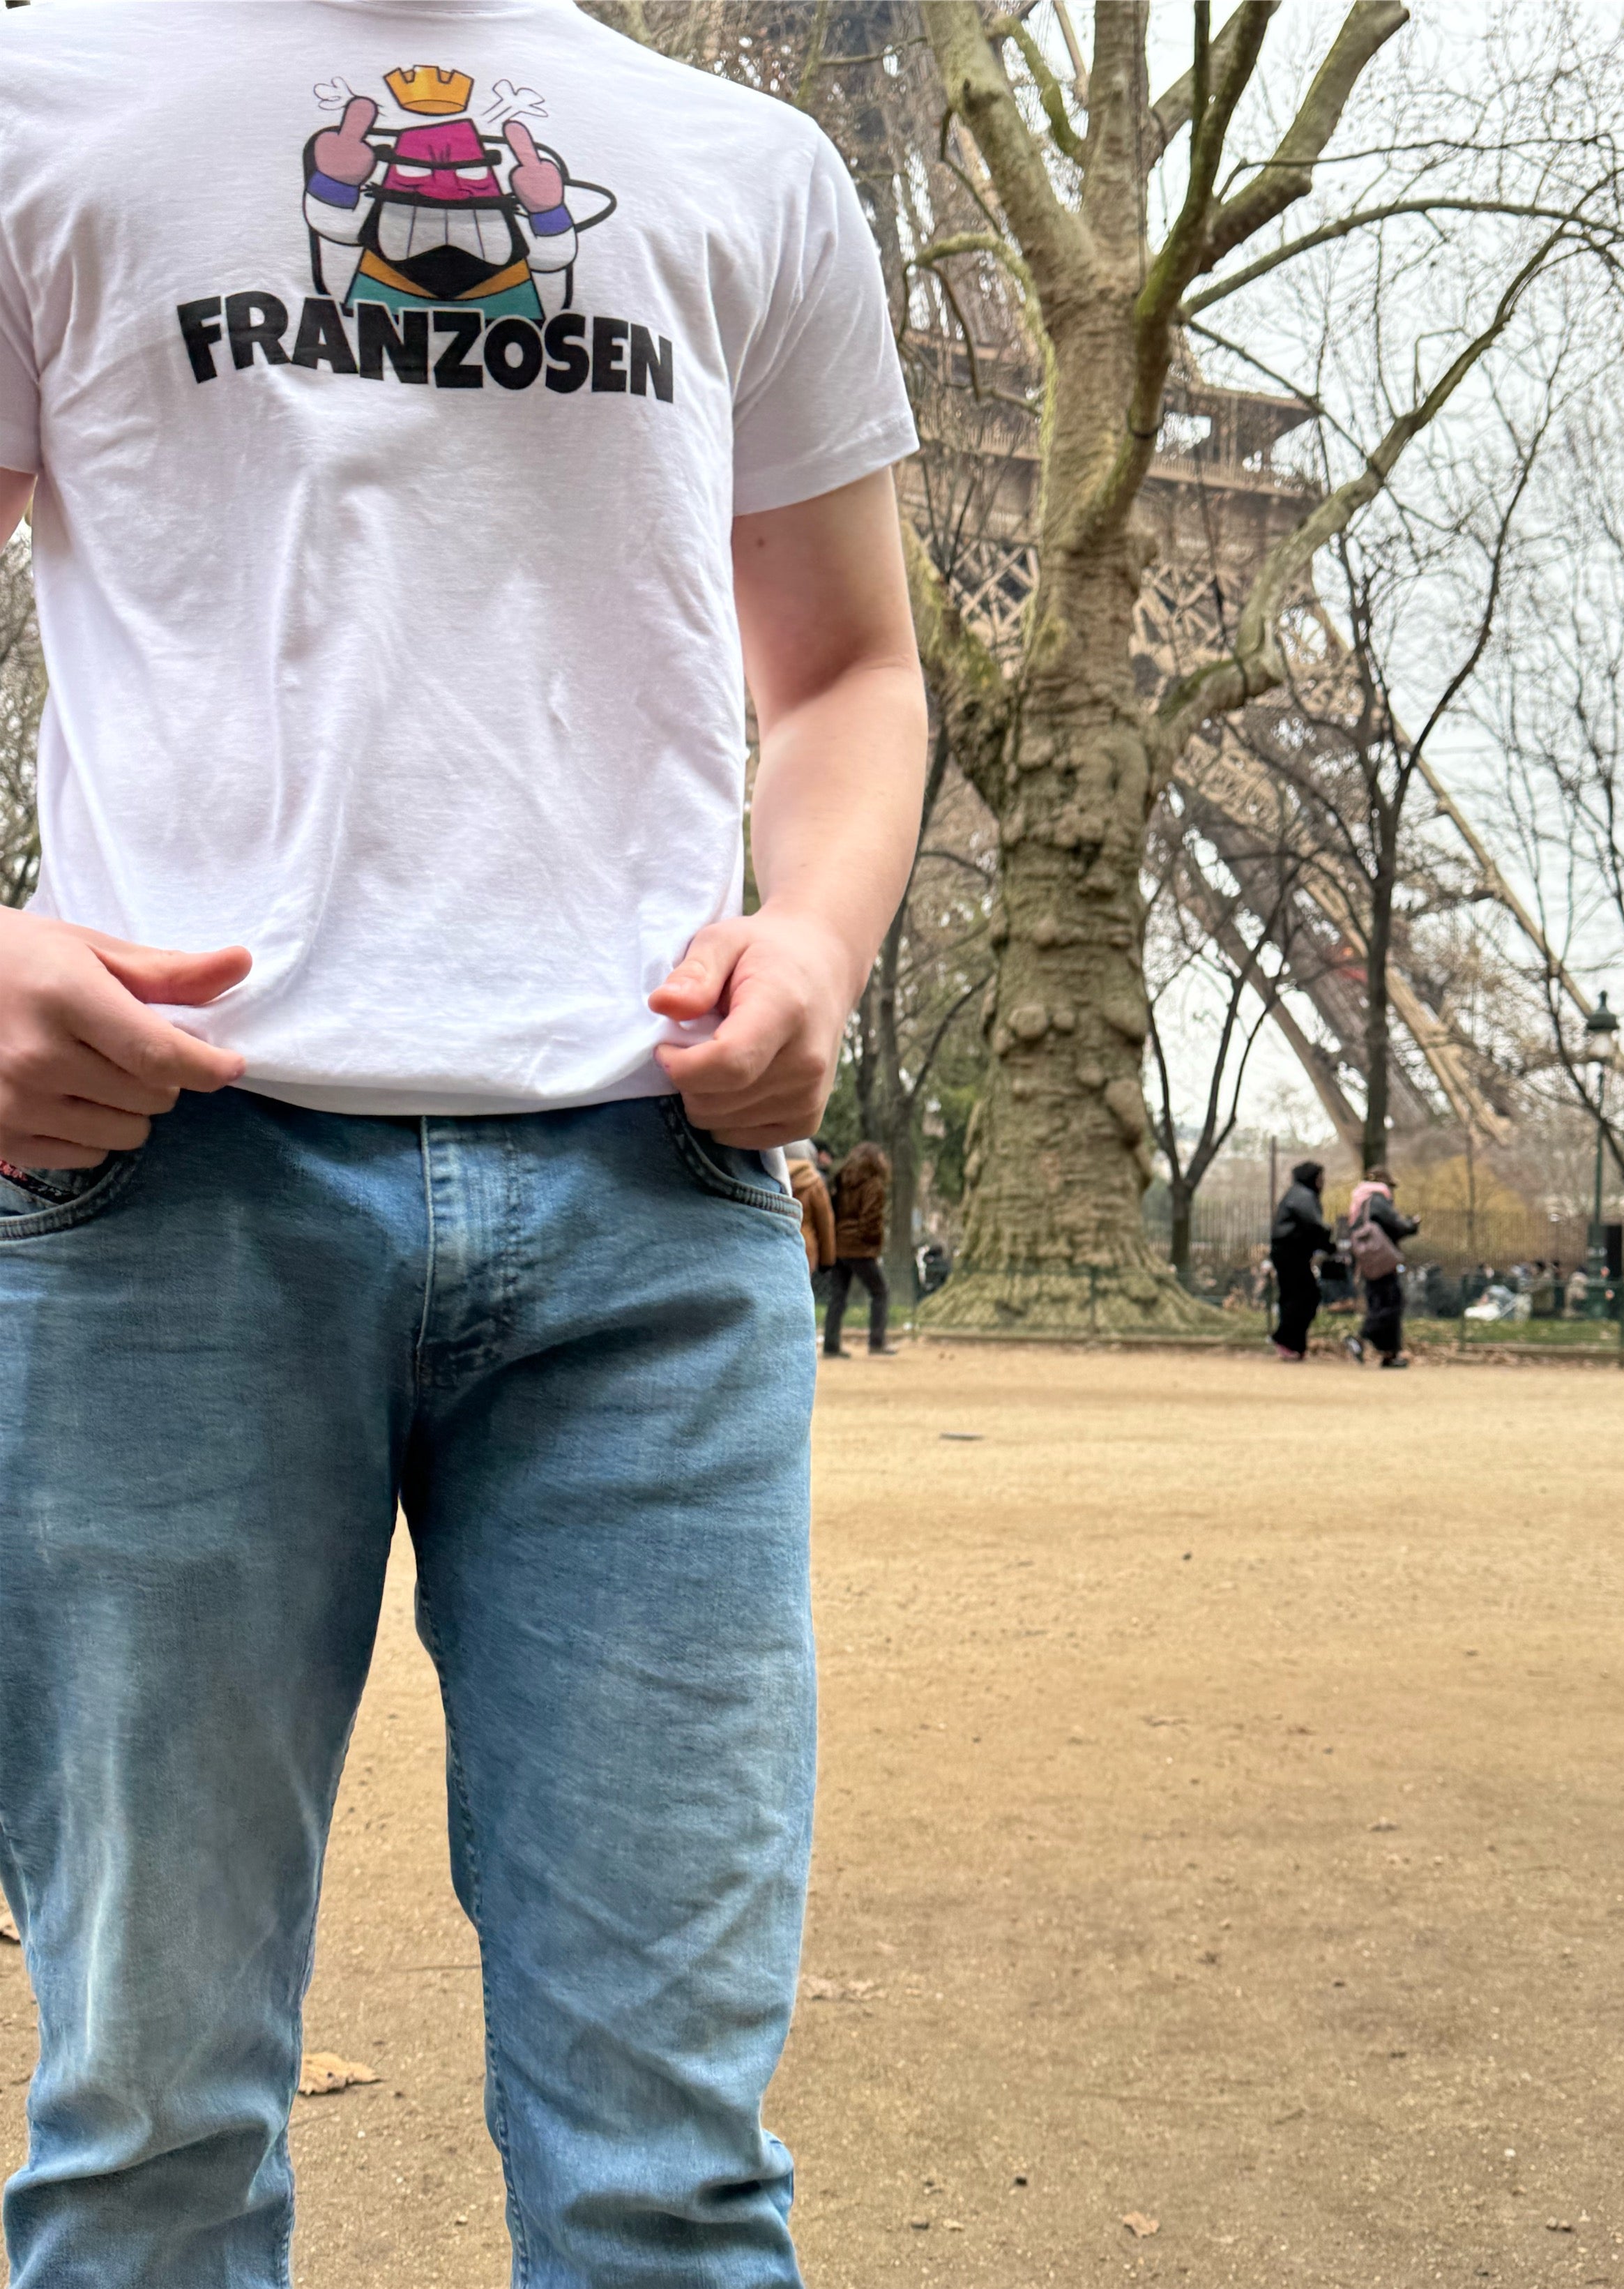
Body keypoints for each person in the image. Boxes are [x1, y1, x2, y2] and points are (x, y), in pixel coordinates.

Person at [0, 3, 927, 2281]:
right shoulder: (33, 104)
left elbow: (849, 668)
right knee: (144, 2134)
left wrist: (813, 943)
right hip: (167, 1193)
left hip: (652, 1207)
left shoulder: (755, 169)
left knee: (668, 2181)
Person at [1344, 1165, 1421, 1368]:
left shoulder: (1360, 1201)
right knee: (1392, 1304)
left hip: (1368, 1262)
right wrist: (1412, 1225)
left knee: (1380, 1303)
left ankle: (1390, 1354)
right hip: (1382, 1261)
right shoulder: (1377, 1199)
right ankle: (1360, 1339)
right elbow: (1396, 1226)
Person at [823, 1140, 894, 1357]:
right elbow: (871, 1219)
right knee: (880, 1292)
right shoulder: (873, 1185)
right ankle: (877, 1342)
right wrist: (872, 1243)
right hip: (859, 1248)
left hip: (839, 1245)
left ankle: (831, 1345)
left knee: (838, 1296)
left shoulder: (841, 1181)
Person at [1268, 1158, 1334, 1360]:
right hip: (1292, 1252)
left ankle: (1294, 1344)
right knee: (1304, 1296)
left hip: (1290, 1252)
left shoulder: (1298, 1194)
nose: (1323, 1182)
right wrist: (1328, 1243)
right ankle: (1286, 1340)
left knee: (1297, 1296)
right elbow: (1313, 1224)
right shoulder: (1303, 1196)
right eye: (1320, 1178)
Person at [785, 1138, 835, 1281]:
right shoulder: (814, 1182)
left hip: (772, 1245)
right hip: (805, 1248)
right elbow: (825, 1222)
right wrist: (827, 1260)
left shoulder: (766, 1176)